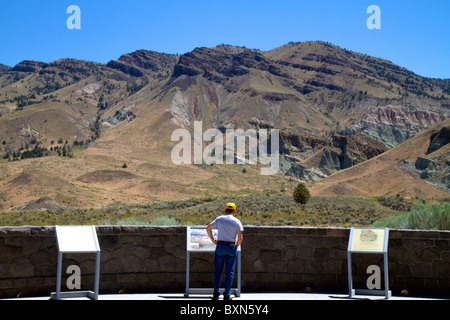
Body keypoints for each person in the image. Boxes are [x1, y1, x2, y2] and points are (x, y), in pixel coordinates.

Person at [206, 202, 244, 300]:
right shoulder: (237, 221)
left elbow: (208, 228)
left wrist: (213, 240)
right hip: (231, 246)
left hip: (220, 246)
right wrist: (236, 246)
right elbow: (240, 238)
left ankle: (216, 294)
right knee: (229, 272)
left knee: (218, 271)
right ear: (234, 211)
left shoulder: (219, 219)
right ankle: (227, 295)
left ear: (225, 210)